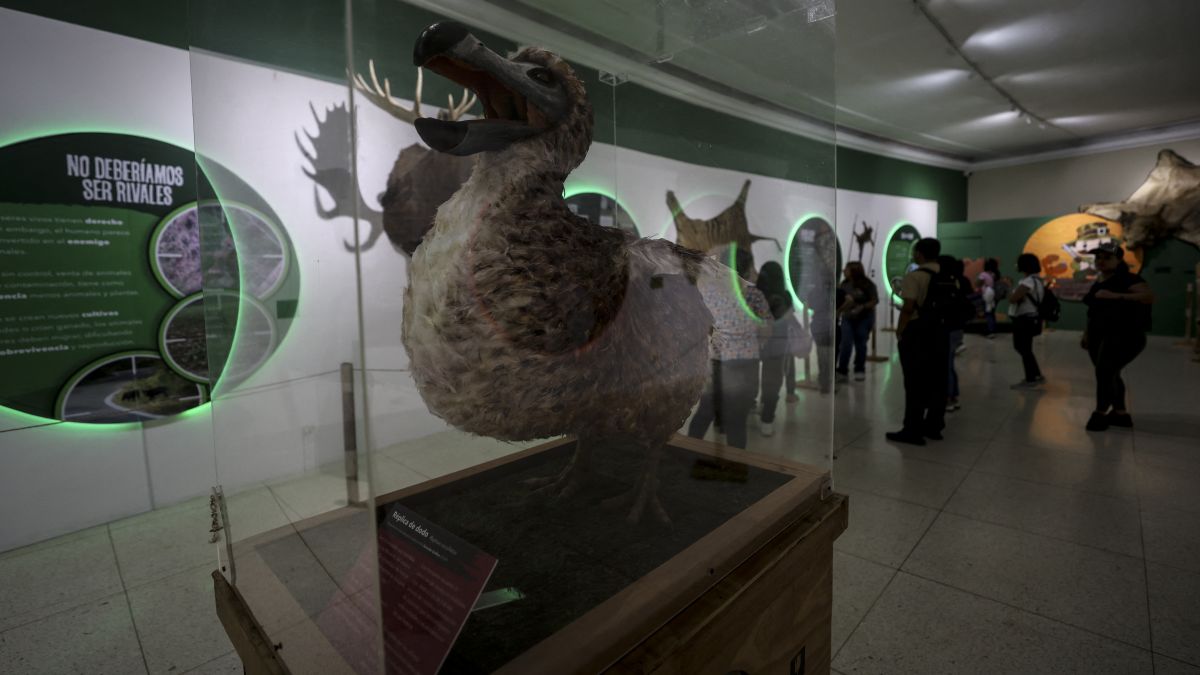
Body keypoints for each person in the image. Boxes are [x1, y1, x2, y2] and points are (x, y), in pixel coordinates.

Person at [688, 246, 771, 448]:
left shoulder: (711, 292)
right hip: (746, 362)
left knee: (705, 411)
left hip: (718, 361)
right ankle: (736, 465)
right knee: (737, 421)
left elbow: (705, 325)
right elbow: (767, 329)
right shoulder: (754, 294)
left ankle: (687, 453)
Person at [1080, 243, 1154, 431]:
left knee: (1104, 372)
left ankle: (1100, 414)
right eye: (1098, 258)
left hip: (1125, 335)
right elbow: (1093, 311)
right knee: (1110, 373)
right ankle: (1120, 414)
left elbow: (1148, 296)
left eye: (1107, 257)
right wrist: (1087, 334)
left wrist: (1114, 296)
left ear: (1119, 260)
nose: (1101, 261)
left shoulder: (1129, 279)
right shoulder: (1099, 283)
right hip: (1099, 335)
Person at [886, 237, 948, 446]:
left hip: (918, 333)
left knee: (914, 382)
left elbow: (908, 307)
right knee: (938, 380)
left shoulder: (915, 276)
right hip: (940, 331)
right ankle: (934, 426)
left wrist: (900, 330)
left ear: (919, 253)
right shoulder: (946, 273)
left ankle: (912, 429)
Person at [755, 261, 794, 436]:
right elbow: (787, 318)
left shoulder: (755, 294)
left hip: (754, 343)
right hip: (777, 345)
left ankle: (759, 406)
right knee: (773, 382)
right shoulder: (785, 296)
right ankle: (767, 418)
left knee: (755, 378)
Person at [1008, 253, 1046, 389]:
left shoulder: (1027, 282)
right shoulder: (1038, 280)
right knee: (1026, 348)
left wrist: (1008, 288)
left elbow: (1013, 298)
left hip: (1024, 319)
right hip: (1032, 318)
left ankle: (1030, 380)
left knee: (1022, 347)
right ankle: (1036, 375)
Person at [836, 261, 879, 382]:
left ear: (854, 271)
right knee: (846, 343)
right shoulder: (843, 285)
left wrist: (863, 307)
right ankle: (842, 370)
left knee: (861, 343)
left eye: (847, 269)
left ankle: (859, 369)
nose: (844, 270)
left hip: (864, 318)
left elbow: (875, 300)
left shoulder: (868, 284)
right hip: (848, 318)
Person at [939, 255, 971, 412]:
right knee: (949, 363)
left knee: (945, 364)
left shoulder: (942, 282)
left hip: (947, 328)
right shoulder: (961, 281)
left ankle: (948, 398)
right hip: (958, 327)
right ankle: (953, 396)